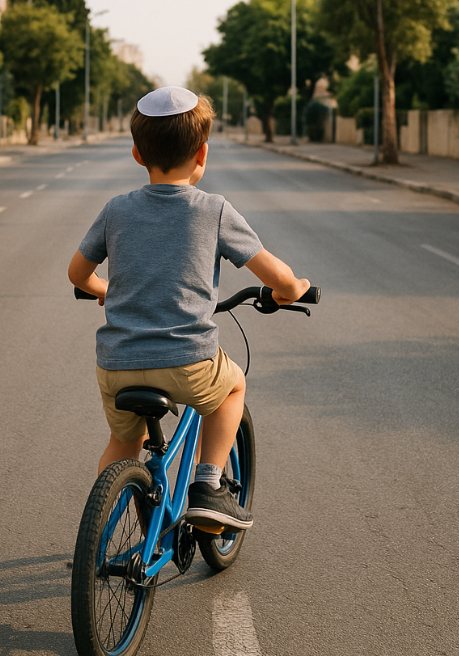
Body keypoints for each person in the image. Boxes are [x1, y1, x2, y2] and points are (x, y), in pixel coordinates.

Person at [68, 86, 310, 531]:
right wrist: (292, 289)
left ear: (137, 155)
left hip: (118, 363)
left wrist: (104, 289)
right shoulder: (213, 210)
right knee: (232, 387)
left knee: (124, 441)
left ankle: (98, 534)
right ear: (202, 153)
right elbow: (277, 277)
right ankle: (208, 485)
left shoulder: (116, 210)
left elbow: (77, 273)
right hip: (188, 362)